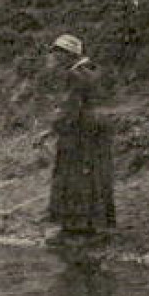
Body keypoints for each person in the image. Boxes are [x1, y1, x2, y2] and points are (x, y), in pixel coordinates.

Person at [44, 33, 115, 244]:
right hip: (97, 131)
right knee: (95, 176)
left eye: (57, 54)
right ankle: (98, 226)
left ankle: (74, 229)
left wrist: (52, 129)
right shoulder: (93, 71)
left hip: (79, 132)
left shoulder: (74, 75)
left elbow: (71, 109)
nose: (54, 59)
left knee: (72, 176)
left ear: (67, 55)